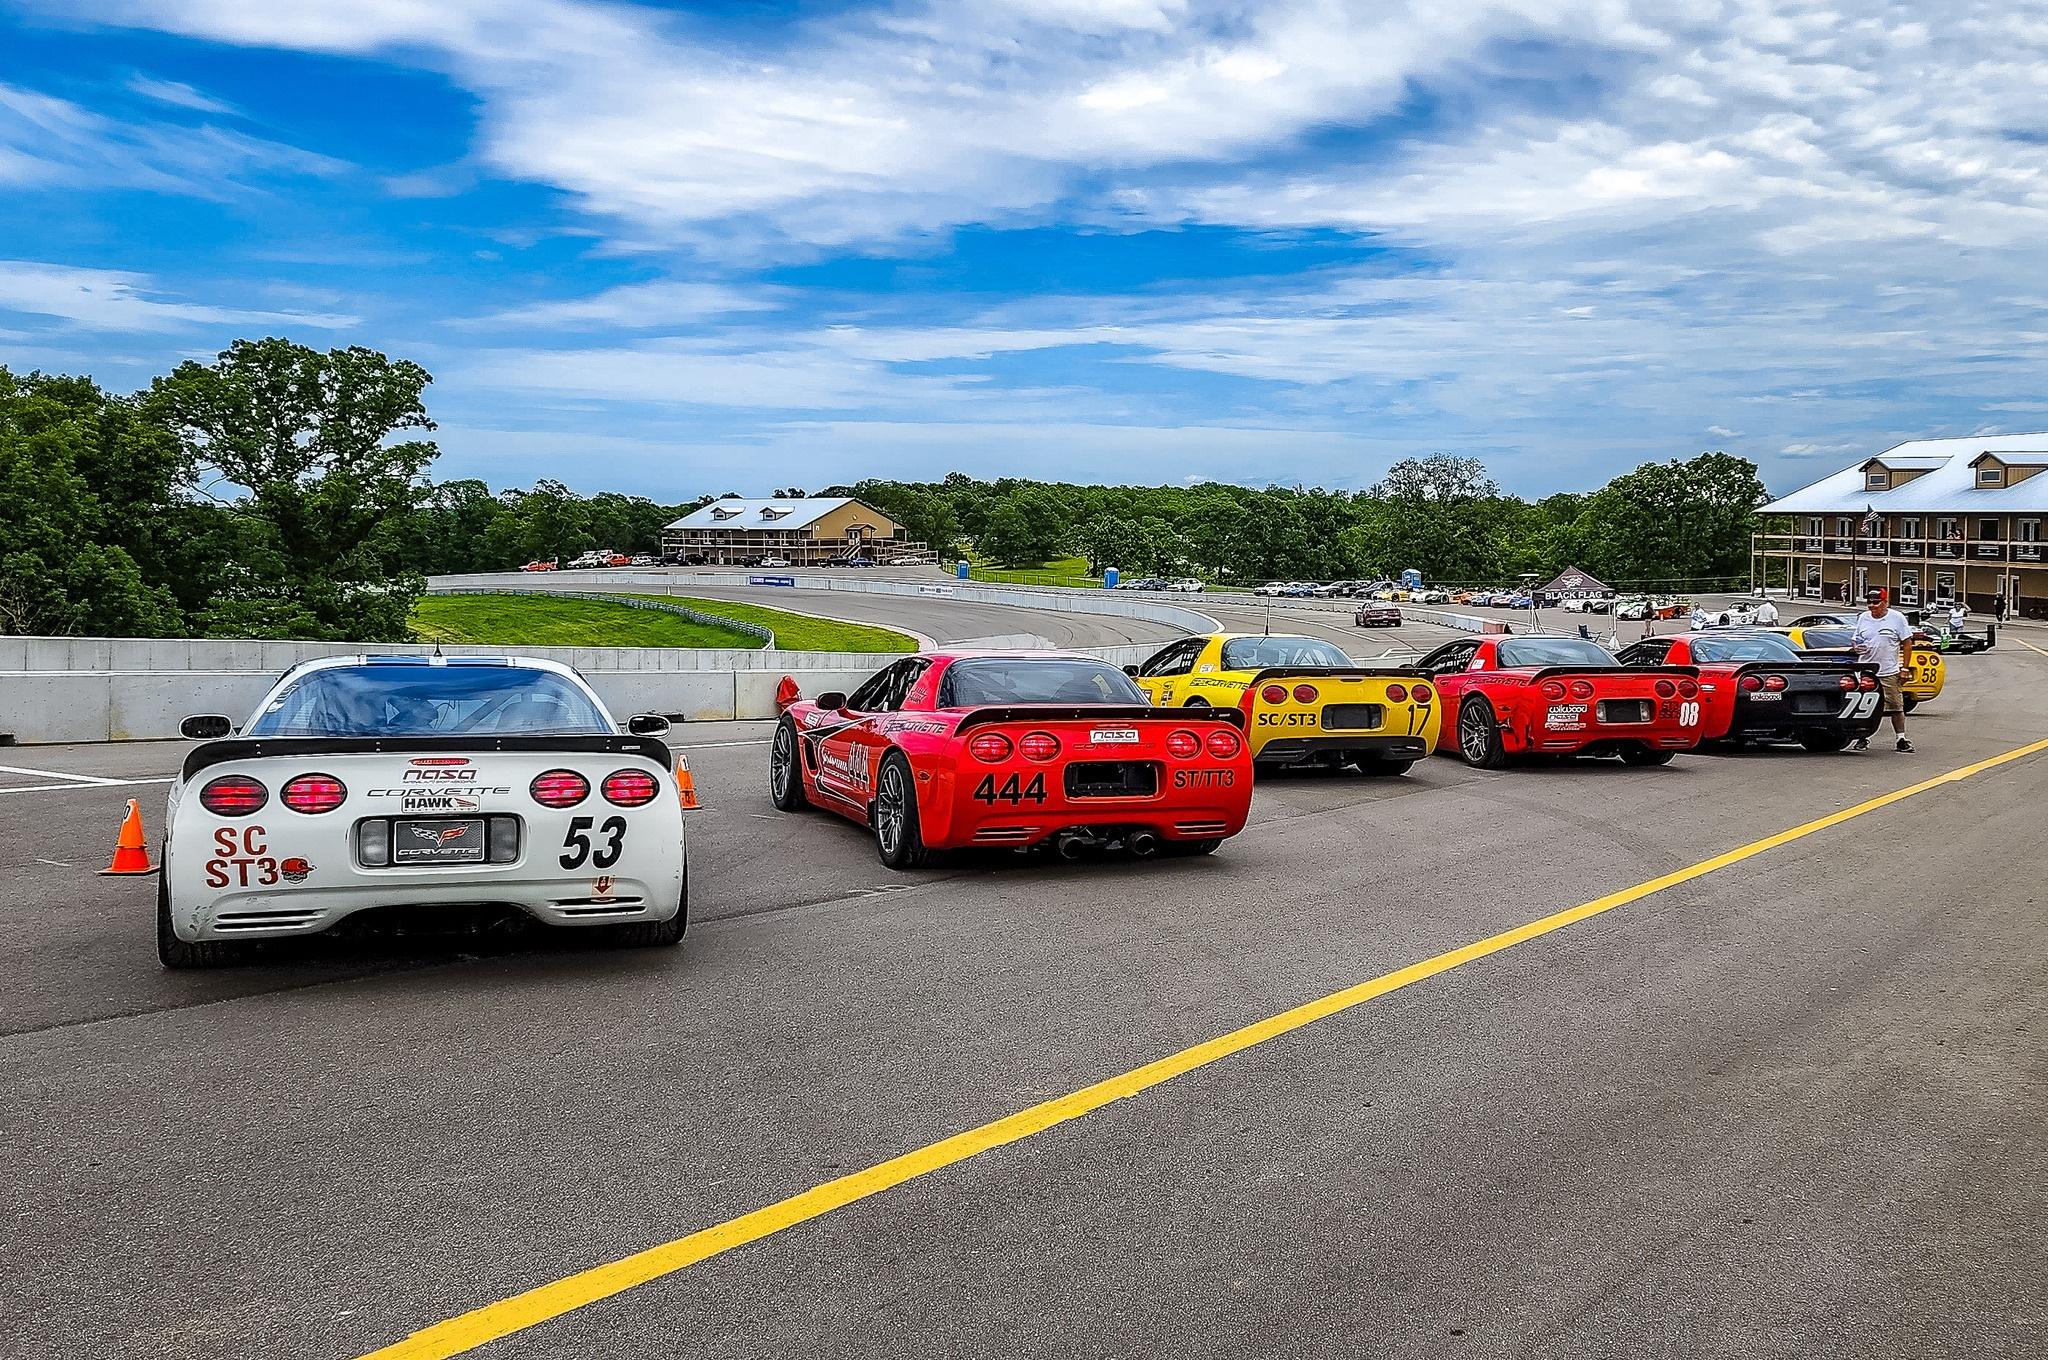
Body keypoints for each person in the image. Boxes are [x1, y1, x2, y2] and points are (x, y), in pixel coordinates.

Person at [1850, 588, 1916, 752]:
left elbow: (1907, 643)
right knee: (1863, 707)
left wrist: (1905, 668)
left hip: (1888, 671)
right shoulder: (1863, 618)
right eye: (1869, 602)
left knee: (1896, 706)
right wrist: (1856, 647)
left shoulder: (1897, 618)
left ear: (1885, 603)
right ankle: (1862, 738)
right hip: (1866, 671)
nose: (1872, 606)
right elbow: (1856, 639)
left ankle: (1901, 738)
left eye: (1876, 602)